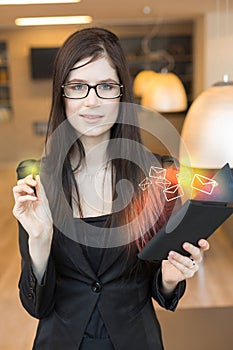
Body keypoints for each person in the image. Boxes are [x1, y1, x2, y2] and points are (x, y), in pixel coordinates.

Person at [13, 27, 209, 350]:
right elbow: (37, 306)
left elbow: (161, 290)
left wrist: (170, 277)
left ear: (121, 94)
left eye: (105, 86)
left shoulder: (156, 174)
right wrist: (39, 242)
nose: (92, 101)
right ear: (61, 95)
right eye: (78, 87)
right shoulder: (38, 180)